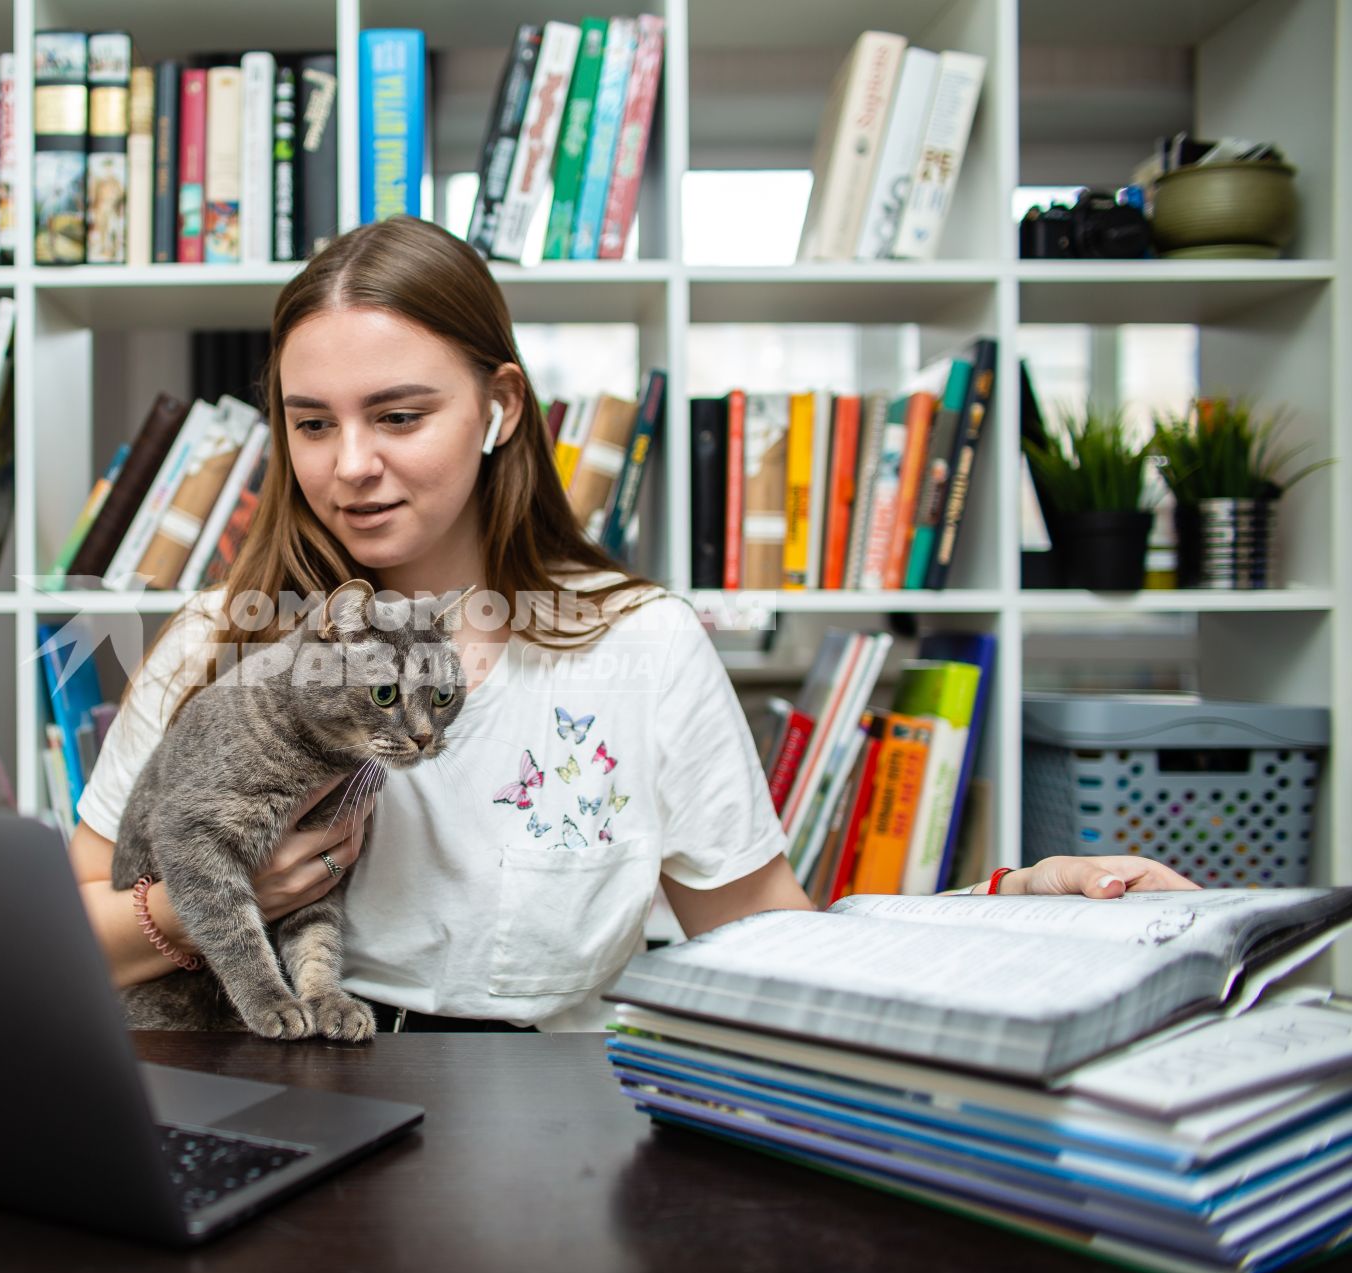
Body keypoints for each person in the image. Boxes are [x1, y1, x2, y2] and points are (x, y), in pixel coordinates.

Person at [67, 216, 1199, 1033]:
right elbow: (66, 935)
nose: (349, 464)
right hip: (250, 1098)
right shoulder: (223, 637)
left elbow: (766, 933)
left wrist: (1014, 907)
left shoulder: (641, 645)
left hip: (534, 1142)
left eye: (400, 414)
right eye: (312, 423)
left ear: (500, 407)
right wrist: (212, 900)